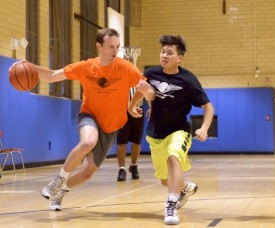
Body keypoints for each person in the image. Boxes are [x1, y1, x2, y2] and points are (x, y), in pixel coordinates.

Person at [10, 28, 154, 211]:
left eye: (117, 47)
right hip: (90, 115)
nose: (115, 51)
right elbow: (52, 76)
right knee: (88, 142)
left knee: (86, 174)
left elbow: (148, 91)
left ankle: (62, 191)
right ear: (99, 46)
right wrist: (27, 65)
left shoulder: (125, 68)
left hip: (111, 127)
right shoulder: (85, 67)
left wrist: (146, 91)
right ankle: (59, 180)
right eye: (111, 47)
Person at [128, 35, 214, 225]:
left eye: (170, 52)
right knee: (165, 180)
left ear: (180, 57)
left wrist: (205, 128)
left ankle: (171, 204)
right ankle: (184, 187)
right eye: (162, 52)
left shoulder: (188, 80)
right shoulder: (151, 73)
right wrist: (132, 106)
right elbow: (143, 91)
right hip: (156, 133)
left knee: (173, 156)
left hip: (179, 130)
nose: (164, 55)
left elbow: (209, 107)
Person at [116, 54, 145, 181]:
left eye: (129, 63)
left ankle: (134, 166)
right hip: (122, 112)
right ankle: (121, 169)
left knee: (136, 142)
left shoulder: (139, 77)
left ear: (133, 64)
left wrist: (152, 108)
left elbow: (146, 92)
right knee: (121, 141)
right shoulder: (117, 78)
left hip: (137, 111)